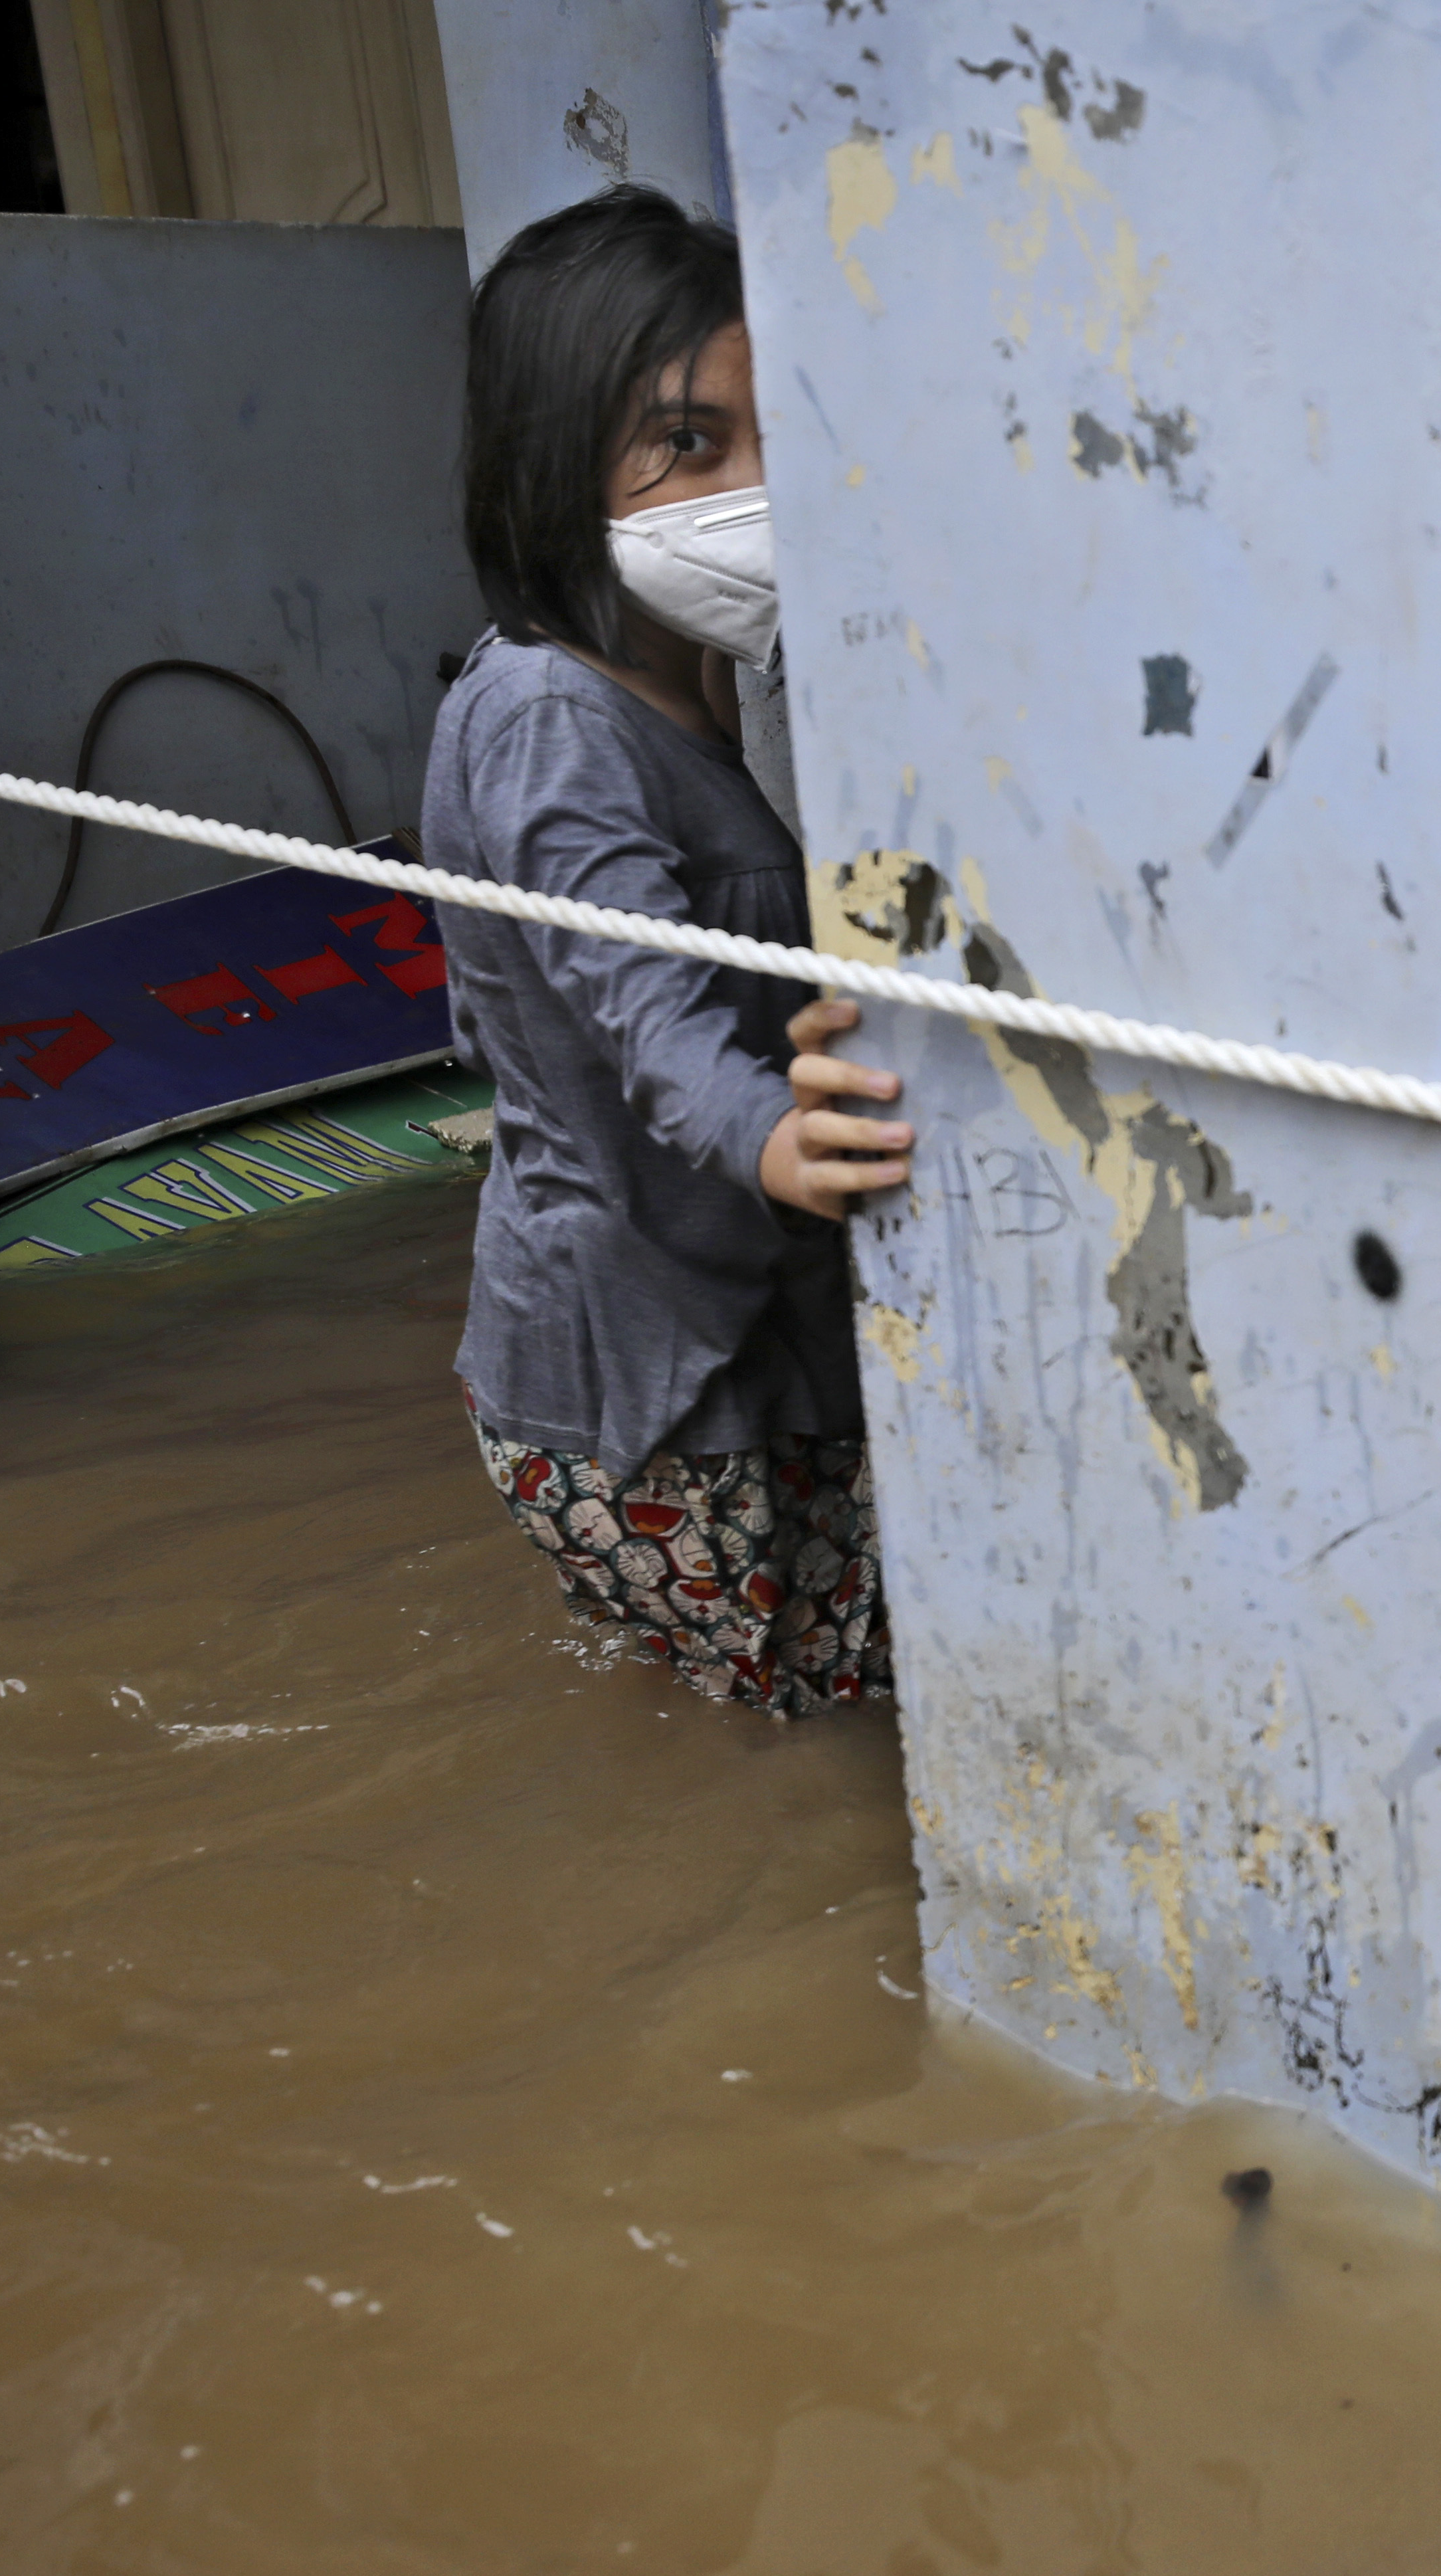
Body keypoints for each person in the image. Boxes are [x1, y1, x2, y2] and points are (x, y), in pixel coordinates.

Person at [431, 188, 916, 1715]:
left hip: (733, 1332)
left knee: (794, 1736)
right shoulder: (548, 715)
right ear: (552, 456)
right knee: (802, 1752)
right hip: (649, 1385)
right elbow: (643, 1012)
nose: (751, 488)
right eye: (690, 443)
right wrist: (776, 1136)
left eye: (776, 439)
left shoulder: (682, 681)